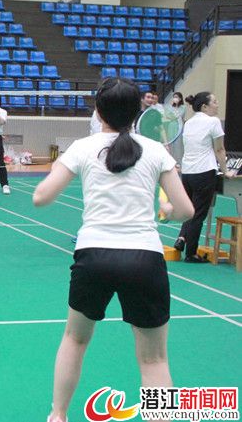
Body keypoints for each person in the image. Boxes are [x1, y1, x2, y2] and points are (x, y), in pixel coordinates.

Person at [32, 77, 194, 422]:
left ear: (98, 111)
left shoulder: (82, 147)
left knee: (75, 340)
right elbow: (186, 211)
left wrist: (65, 167)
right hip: (144, 258)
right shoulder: (156, 151)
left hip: (94, 257)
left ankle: (58, 415)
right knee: (154, 360)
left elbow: (40, 197)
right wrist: (167, 211)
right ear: (138, 112)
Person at [173, 92, 236, 263]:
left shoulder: (189, 123)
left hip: (187, 173)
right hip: (204, 172)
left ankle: (182, 238)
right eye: (214, 102)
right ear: (204, 107)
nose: (217, 104)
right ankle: (191, 254)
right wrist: (226, 170)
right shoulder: (213, 121)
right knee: (198, 214)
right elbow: (220, 149)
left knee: (190, 210)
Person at [165, 91, 185, 164]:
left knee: (179, 145)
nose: (175, 99)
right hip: (171, 126)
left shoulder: (183, 107)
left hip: (179, 127)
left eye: (176, 97)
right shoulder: (170, 107)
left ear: (180, 98)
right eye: (174, 97)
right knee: (171, 144)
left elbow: (180, 116)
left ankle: (179, 162)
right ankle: (171, 162)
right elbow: (168, 117)